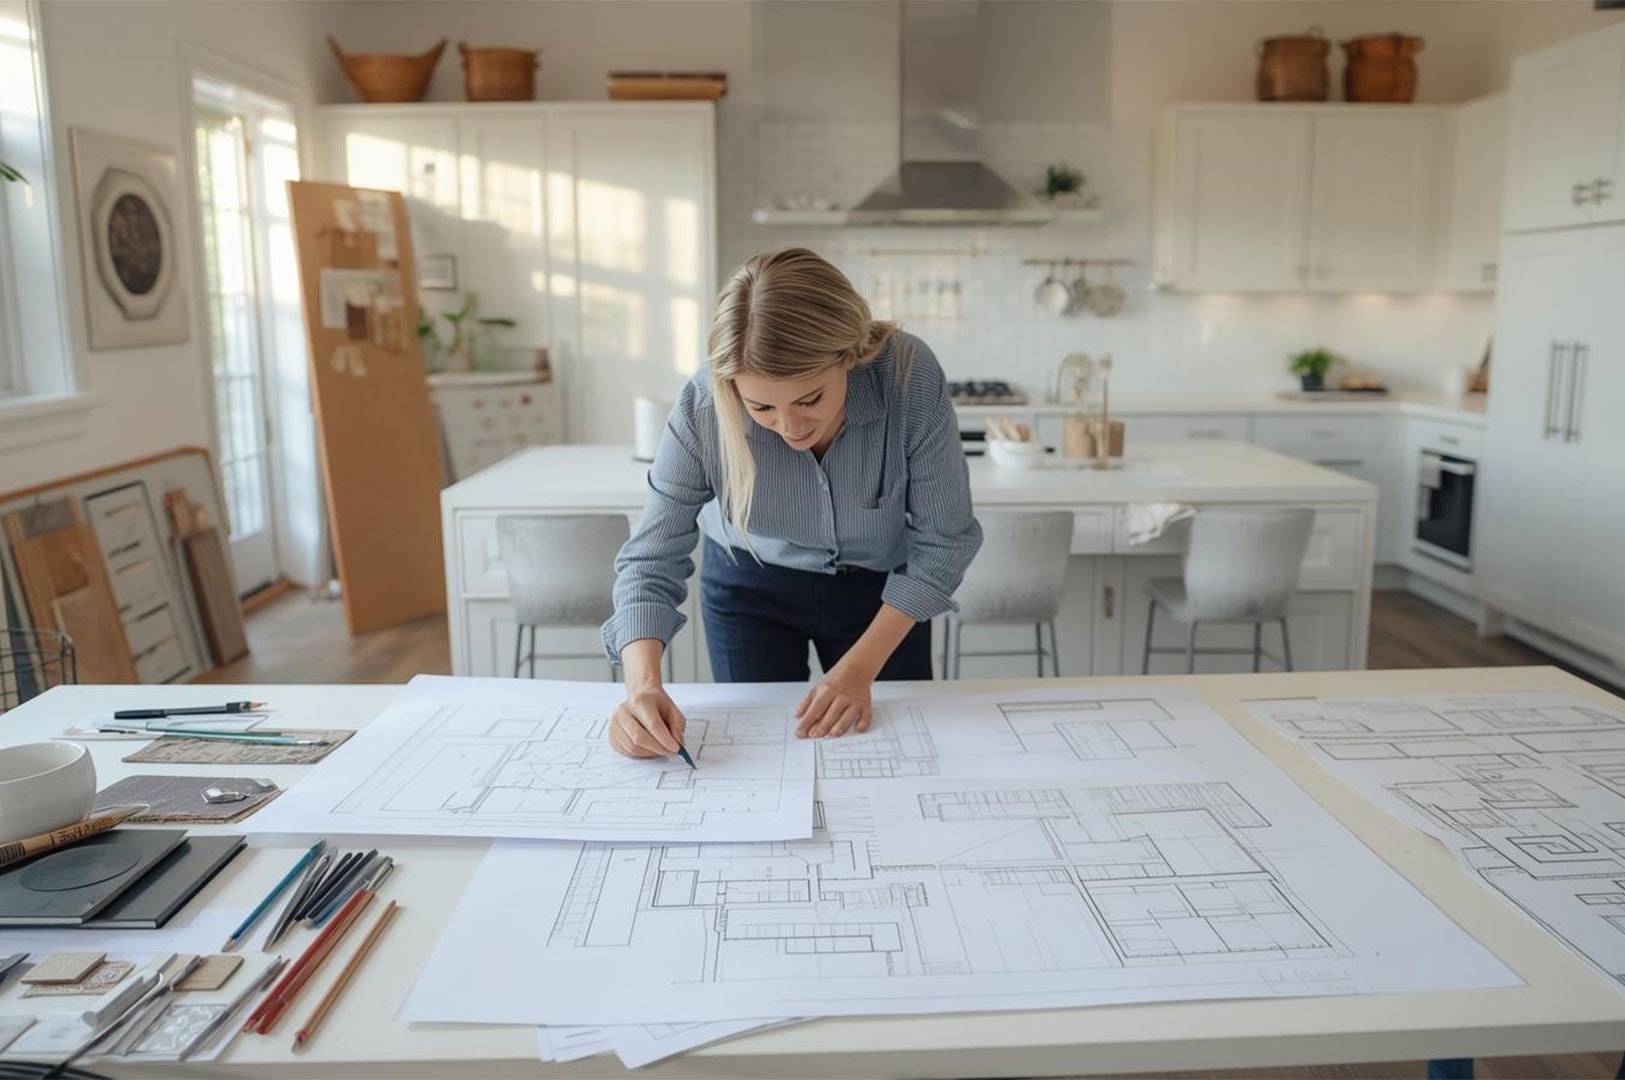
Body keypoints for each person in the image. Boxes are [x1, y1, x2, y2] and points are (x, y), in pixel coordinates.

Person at [602, 247, 982, 759]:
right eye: (761, 407)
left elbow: (944, 542)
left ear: (849, 356)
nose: (791, 426)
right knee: (765, 760)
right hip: (749, 587)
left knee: (894, 754)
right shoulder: (704, 404)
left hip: (882, 596)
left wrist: (860, 668)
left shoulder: (908, 376)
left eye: (810, 399)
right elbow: (651, 558)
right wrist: (641, 687)